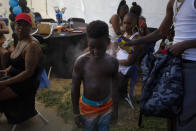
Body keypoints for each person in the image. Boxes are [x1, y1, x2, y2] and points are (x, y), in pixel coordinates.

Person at [124, 0, 196, 131]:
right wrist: (134, 42)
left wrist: (184, 45)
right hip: (175, 63)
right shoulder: (173, 3)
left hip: (193, 65)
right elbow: (161, 32)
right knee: (170, 107)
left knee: (188, 115)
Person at [71, 20, 119, 131]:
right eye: (92, 47)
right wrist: (76, 113)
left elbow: (115, 88)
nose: (96, 51)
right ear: (87, 41)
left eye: (100, 47)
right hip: (87, 108)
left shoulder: (112, 62)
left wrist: (115, 110)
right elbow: (75, 88)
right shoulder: (81, 62)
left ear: (107, 42)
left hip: (107, 107)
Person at [0, 13, 42, 122]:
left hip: (24, 84)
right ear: (14, 25)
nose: (21, 28)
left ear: (30, 27)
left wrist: (6, 82)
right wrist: (4, 71)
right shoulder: (20, 40)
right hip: (14, 78)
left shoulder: (32, 45)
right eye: (18, 24)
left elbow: (28, 72)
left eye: (25, 25)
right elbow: (16, 64)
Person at [115, 12, 144, 106]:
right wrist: (112, 54)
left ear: (135, 24)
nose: (126, 26)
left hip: (127, 67)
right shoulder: (125, 34)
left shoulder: (136, 39)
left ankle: (117, 94)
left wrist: (114, 61)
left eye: (129, 23)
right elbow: (119, 50)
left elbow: (129, 62)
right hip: (119, 63)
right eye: (124, 23)